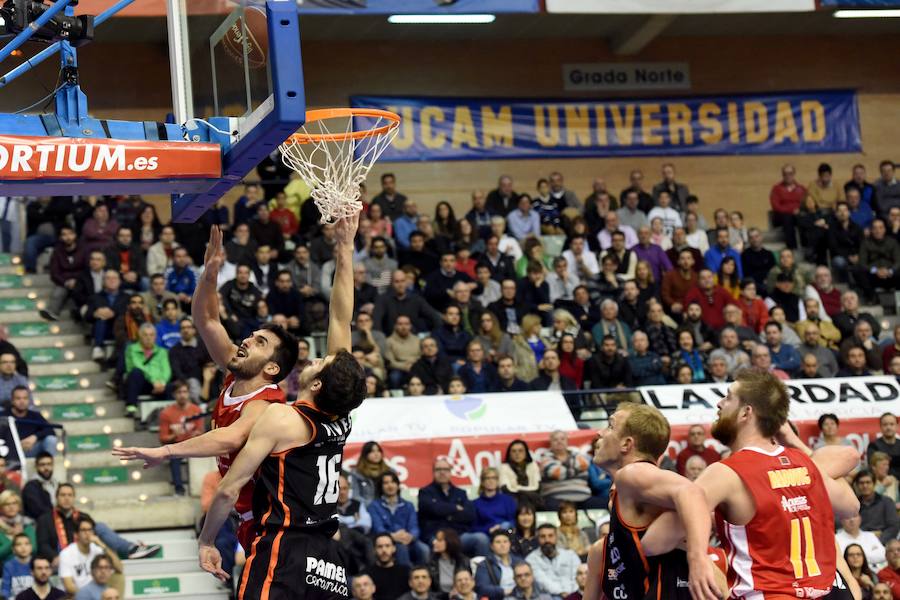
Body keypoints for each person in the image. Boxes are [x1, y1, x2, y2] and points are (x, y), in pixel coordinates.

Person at [194, 213, 367, 599]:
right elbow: (342, 317)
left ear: (318, 383)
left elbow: (228, 483)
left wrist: (206, 540)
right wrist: (345, 247)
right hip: (326, 557)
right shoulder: (341, 413)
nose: (314, 357)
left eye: (318, 362)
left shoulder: (281, 416)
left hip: (282, 542)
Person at [113, 224, 301, 551]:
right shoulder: (236, 373)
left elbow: (230, 437)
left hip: (275, 522)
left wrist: (166, 450)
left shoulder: (266, 405)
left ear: (272, 368)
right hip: (250, 517)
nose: (244, 341)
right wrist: (210, 274)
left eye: (259, 342)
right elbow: (206, 320)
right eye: (250, 336)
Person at [641, 371, 862, 600]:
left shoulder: (725, 473)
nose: (719, 403)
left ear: (746, 412)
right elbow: (851, 507)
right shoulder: (805, 464)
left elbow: (654, 541)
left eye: (727, 397)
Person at [591, 402, 719, 600]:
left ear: (627, 444)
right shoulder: (623, 493)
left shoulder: (631, 474)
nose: (600, 433)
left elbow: (691, 492)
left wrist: (697, 558)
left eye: (610, 426)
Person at [418, 459, 490, 558]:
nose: (442, 472)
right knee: (438, 545)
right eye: (438, 469)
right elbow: (432, 508)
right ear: (433, 472)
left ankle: (483, 571)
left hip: (458, 535)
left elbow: (470, 515)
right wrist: (455, 507)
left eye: (446, 469)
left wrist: (442, 512)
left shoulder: (460, 493)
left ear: (450, 472)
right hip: (435, 535)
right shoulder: (425, 492)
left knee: (481, 539)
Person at [369, 471, 429, 567]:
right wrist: (392, 536)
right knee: (401, 548)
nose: (390, 485)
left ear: (398, 485)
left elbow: (414, 527)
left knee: (424, 549)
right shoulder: (374, 506)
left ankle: (423, 576)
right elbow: (378, 528)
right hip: (387, 541)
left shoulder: (408, 505)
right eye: (386, 483)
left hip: (408, 540)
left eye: (393, 482)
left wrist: (410, 536)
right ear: (381, 487)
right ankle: (406, 578)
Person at [57, 516, 122, 597]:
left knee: (119, 576)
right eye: (83, 530)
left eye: (90, 530)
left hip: (99, 592)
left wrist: (101, 544)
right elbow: (69, 586)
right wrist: (87, 595)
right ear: (76, 534)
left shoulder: (97, 550)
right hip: (77, 595)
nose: (87, 533)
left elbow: (119, 568)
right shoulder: (66, 554)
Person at [157, 380, 202, 495]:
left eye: (185, 392)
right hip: (177, 446)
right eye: (179, 392)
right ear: (174, 394)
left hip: (194, 445)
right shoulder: (166, 413)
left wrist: (196, 434)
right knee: (174, 456)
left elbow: (201, 432)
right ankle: (179, 489)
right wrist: (174, 435)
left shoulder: (196, 410)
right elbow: (163, 438)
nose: (182, 395)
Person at [524, 525, 581, 599]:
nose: (547, 540)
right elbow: (542, 582)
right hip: (548, 596)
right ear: (537, 538)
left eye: (550, 536)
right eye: (543, 536)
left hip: (573, 594)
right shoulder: (531, 559)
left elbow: (577, 576)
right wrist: (562, 592)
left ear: (556, 537)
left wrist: (572, 594)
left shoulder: (570, 555)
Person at [0, 387, 56, 458]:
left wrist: (35, 437)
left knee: (51, 440)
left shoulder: (35, 415)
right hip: (9, 452)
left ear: (29, 400)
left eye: (25, 398)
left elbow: (50, 430)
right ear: (12, 400)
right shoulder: (3, 415)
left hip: (29, 450)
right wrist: (16, 444)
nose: (22, 401)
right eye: (18, 398)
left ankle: (48, 464)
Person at [475, 530, 523, 600]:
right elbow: (482, 588)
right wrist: (504, 591)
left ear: (510, 544)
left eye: (505, 541)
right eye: (498, 542)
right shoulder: (484, 565)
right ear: (491, 546)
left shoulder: (519, 561)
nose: (502, 545)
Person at [855, 470, 900, 545]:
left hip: (882, 542)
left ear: (874, 484)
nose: (865, 486)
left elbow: (893, 526)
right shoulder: (854, 504)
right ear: (857, 485)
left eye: (868, 482)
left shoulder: (887, 502)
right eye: (861, 483)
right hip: (859, 542)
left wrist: (878, 542)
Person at [473, 468, 517, 537]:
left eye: (494, 478)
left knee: (506, 525)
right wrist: (489, 530)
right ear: (482, 482)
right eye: (487, 478)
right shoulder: (475, 504)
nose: (491, 481)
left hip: (507, 532)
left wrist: (501, 527)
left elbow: (513, 520)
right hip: (487, 535)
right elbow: (474, 527)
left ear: (497, 481)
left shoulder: (508, 500)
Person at [366, 534, 411, 600]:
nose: (384, 550)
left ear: (394, 548)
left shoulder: (405, 572)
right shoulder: (367, 574)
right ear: (374, 550)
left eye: (387, 546)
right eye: (380, 547)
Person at [499, 440, 541, 508]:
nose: (517, 454)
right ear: (509, 454)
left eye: (520, 451)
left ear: (526, 453)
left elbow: (537, 488)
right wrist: (526, 491)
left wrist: (518, 488)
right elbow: (506, 490)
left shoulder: (533, 465)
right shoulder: (504, 467)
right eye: (514, 451)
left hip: (532, 500)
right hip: (513, 500)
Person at [428, 528, 469, 598]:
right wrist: (447, 596)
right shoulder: (430, 562)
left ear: (449, 542)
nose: (434, 542)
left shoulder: (463, 561)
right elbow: (428, 592)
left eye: (439, 540)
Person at [868, 413, 900, 480]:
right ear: (880, 426)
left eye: (892, 424)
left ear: (897, 426)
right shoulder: (873, 445)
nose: (888, 427)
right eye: (885, 424)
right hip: (883, 481)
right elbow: (874, 467)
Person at [2, 533, 33, 599]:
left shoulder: (37, 563)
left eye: (26, 544)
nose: (23, 547)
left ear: (31, 547)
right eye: (19, 544)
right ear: (13, 549)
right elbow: (5, 589)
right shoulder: (8, 566)